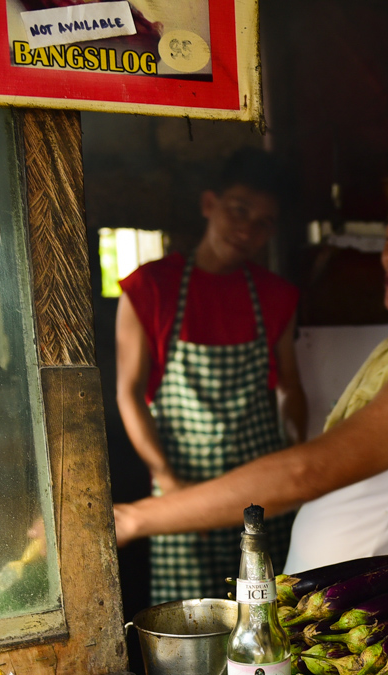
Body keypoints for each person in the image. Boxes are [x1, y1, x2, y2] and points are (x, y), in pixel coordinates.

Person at [114, 156, 388, 575]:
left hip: (373, 626)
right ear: (210, 205)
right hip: (201, 492)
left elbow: (304, 472)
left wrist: (134, 519)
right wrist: (165, 478)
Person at [115, 147, 307, 602]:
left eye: (263, 222)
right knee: (194, 622)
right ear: (209, 204)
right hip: (182, 485)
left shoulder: (276, 296)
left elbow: (290, 388)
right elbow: (128, 393)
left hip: (260, 491)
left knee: (268, 613)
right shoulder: (149, 288)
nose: (247, 229)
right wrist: (168, 478)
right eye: (239, 210)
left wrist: (299, 460)